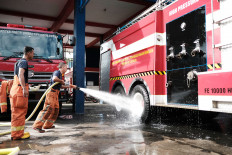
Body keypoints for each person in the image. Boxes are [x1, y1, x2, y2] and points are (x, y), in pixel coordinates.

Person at [33, 62, 77, 133]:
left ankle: (48, 125)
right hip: (51, 93)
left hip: (55, 94)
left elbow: (61, 86)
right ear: (62, 67)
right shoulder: (57, 72)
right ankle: (37, 126)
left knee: (56, 110)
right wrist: (61, 81)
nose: (67, 69)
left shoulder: (60, 75)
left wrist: (72, 86)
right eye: (66, 67)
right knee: (48, 109)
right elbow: (54, 79)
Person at [10, 46, 34, 140]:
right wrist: (24, 88)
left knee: (16, 113)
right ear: (28, 53)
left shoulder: (18, 62)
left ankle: (16, 133)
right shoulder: (24, 62)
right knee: (20, 113)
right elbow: (20, 74)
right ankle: (17, 135)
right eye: (32, 53)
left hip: (16, 89)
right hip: (20, 91)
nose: (33, 55)